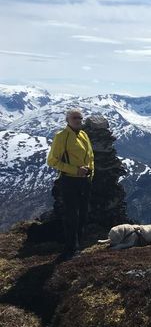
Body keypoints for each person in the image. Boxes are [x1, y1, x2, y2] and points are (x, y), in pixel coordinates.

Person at [47, 108, 95, 259]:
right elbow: (52, 160)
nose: (78, 120)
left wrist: (90, 173)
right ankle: (70, 249)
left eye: (80, 118)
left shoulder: (83, 134)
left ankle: (78, 244)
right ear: (67, 120)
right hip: (69, 180)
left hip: (84, 180)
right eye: (75, 118)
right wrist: (75, 170)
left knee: (83, 214)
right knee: (71, 214)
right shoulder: (61, 136)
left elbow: (90, 156)